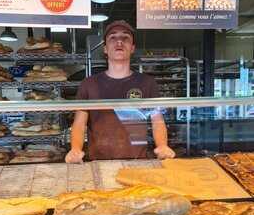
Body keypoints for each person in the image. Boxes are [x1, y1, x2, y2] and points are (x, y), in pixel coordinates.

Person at [65, 20, 175, 163]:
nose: (119, 42)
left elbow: (157, 121)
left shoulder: (148, 83)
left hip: (138, 161)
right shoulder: (89, 84)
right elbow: (79, 123)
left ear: (132, 48)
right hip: (99, 161)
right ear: (105, 48)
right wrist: (75, 148)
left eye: (125, 38)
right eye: (113, 38)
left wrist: (162, 146)